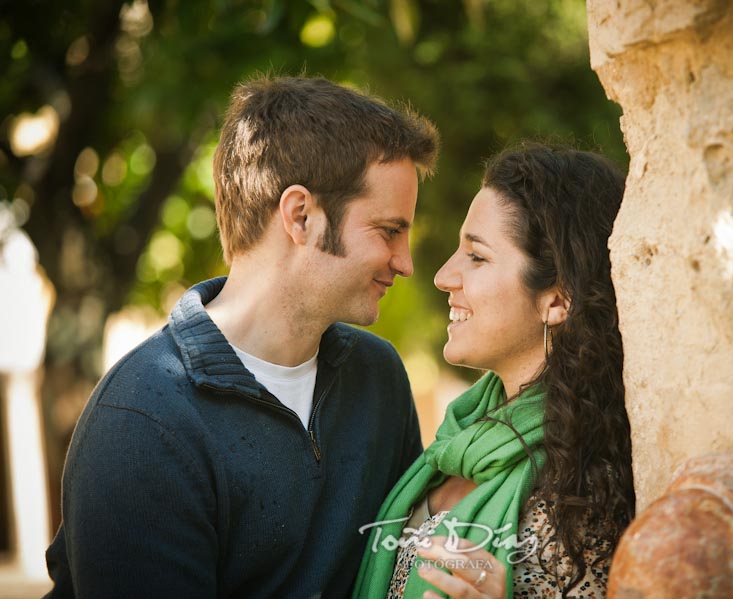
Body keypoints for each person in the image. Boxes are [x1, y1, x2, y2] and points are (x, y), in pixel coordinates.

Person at [44, 75, 439, 598]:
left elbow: (400, 574)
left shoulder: (379, 377)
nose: (406, 262)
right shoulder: (142, 424)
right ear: (301, 215)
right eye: (389, 230)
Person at [354, 143, 635, 599]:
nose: (444, 276)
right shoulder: (457, 441)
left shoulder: (583, 487)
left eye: (477, 257)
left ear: (558, 299)